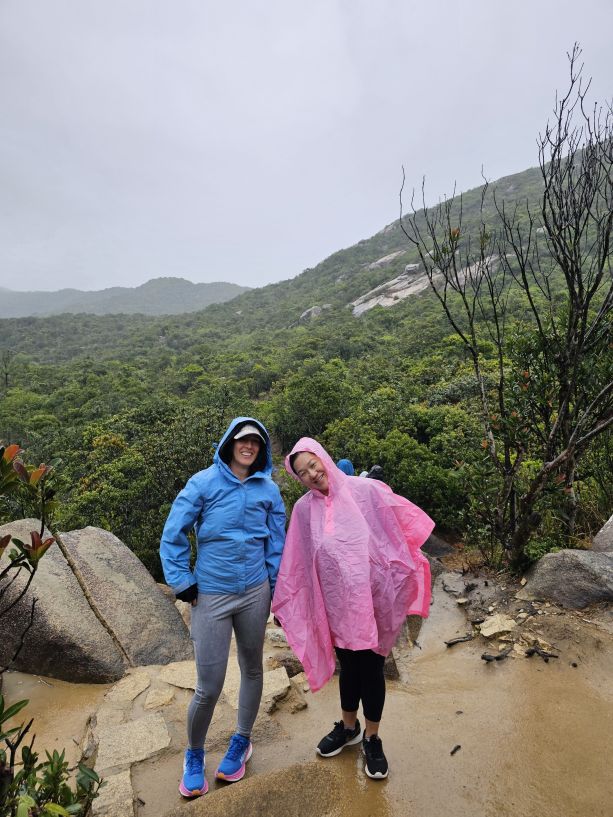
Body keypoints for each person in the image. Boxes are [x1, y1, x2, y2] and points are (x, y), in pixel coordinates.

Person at [272, 438, 434, 780]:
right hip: (337, 605)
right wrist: (291, 600)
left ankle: (372, 738)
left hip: (374, 600)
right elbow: (297, 561)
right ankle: (349, 728)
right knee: (348, 665)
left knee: (372, 667)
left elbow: (399, 526)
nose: (312, 474)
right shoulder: (303, 510)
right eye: (302, 472)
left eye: (313, 464)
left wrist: (404, 569)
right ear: (298, 479)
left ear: (323, 458)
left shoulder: (365, 490)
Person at [160, 417, 286, 798]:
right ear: (230, 443)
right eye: (243, 440)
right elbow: (173, 532)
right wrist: (182, 580)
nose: (249, 446)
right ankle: (194, 754)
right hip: (211, 593)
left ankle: (242, 740)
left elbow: (276, 545)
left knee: (252, 668)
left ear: (261, 450)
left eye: (256, 442)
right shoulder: (204, 483)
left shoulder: (269, 490)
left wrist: (277, 591)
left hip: (254, 592)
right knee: (209, 686)